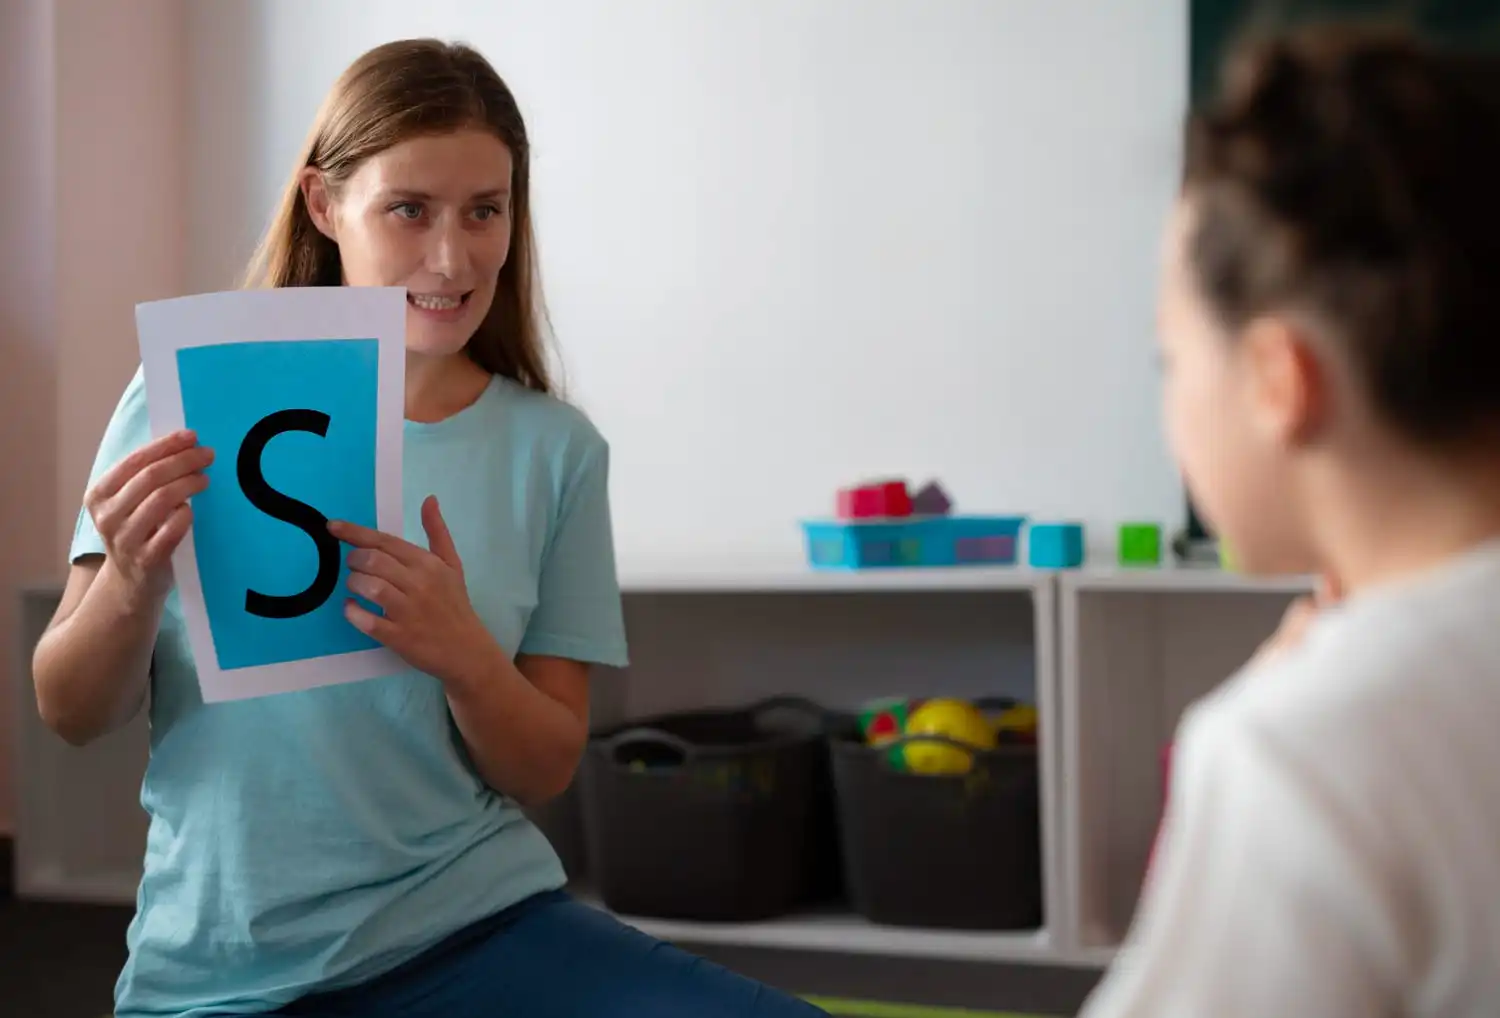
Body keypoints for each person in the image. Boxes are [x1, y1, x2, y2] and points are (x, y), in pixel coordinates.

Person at [32, 38, 826, 1018]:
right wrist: (128, 579)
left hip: (479, 922)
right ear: (326, 206)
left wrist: (467, 658)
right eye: (410, 209)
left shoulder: (556, 449)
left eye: (484, 210)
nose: (453, 257)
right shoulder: (186, 393)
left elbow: (543, 763)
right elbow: (68, 709)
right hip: (224, 974)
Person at [1080, 22, 1500, 1018]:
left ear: (1278, 379)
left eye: (1172, 359)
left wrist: (1271, 713)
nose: (1172, 396)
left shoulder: (1301, 750)